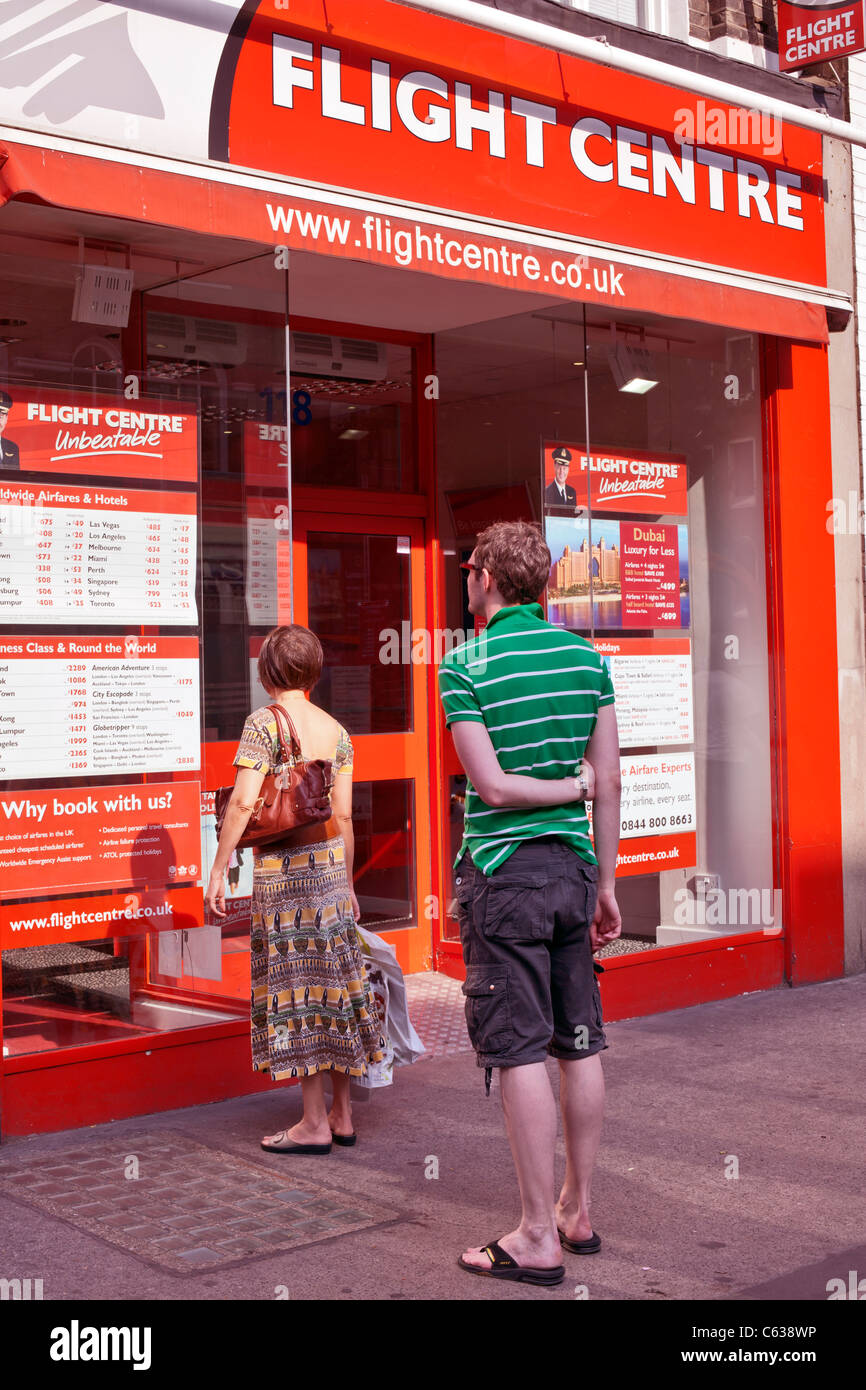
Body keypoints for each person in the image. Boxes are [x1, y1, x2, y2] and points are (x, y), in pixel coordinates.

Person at [438, 520, 622, 1286]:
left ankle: (536, 1236)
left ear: (484, 577)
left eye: (469, 571)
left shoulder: (463, 663)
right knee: (578, 1041)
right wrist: (607, 882)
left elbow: (492, 788)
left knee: (516, 1050)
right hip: (574, 874)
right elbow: (608, 781)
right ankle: (578, 1212)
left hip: (505, 874)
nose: (468, 582)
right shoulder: (587, 658)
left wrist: (565, 789)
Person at [205, 624, 386, 1154]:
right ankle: (342, 1113)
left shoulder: (263, 725)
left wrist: (219, 868)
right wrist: (347, 882)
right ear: (313, 670)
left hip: (285, 871)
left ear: (268, 671)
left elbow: (242, 803)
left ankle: (311, 1123)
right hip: (330, 864)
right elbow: (346, 815)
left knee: (298, 986)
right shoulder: (337, 730)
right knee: (336, 981)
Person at [543, 447, 578, 512]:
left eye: (564, 468)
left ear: (568, 469)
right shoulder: (547, 492)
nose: (562, 472)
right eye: (559, 468)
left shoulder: (572, 492)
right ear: (554, 467)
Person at [0, 391, 20, 470]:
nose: (0, 418)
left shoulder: (12, 448)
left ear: (7, 418)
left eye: (2, 414)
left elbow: (17, 479)